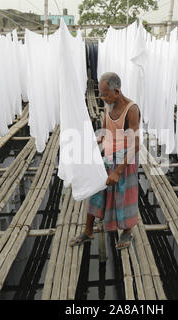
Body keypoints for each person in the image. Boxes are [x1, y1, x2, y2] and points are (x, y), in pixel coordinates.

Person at [70, 72, 141, 250]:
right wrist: (93, 145)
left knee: (124, 196)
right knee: (96, 191)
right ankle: (88, 231)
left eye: (105, 94)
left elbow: (136, 145)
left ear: (116, 91)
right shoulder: (108, 104)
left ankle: (127, 231)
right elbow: (104, 131)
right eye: (101, 94)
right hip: (108, 156)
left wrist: (118, 171)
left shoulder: (131, 109)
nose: (102, 97)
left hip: (126, 159)